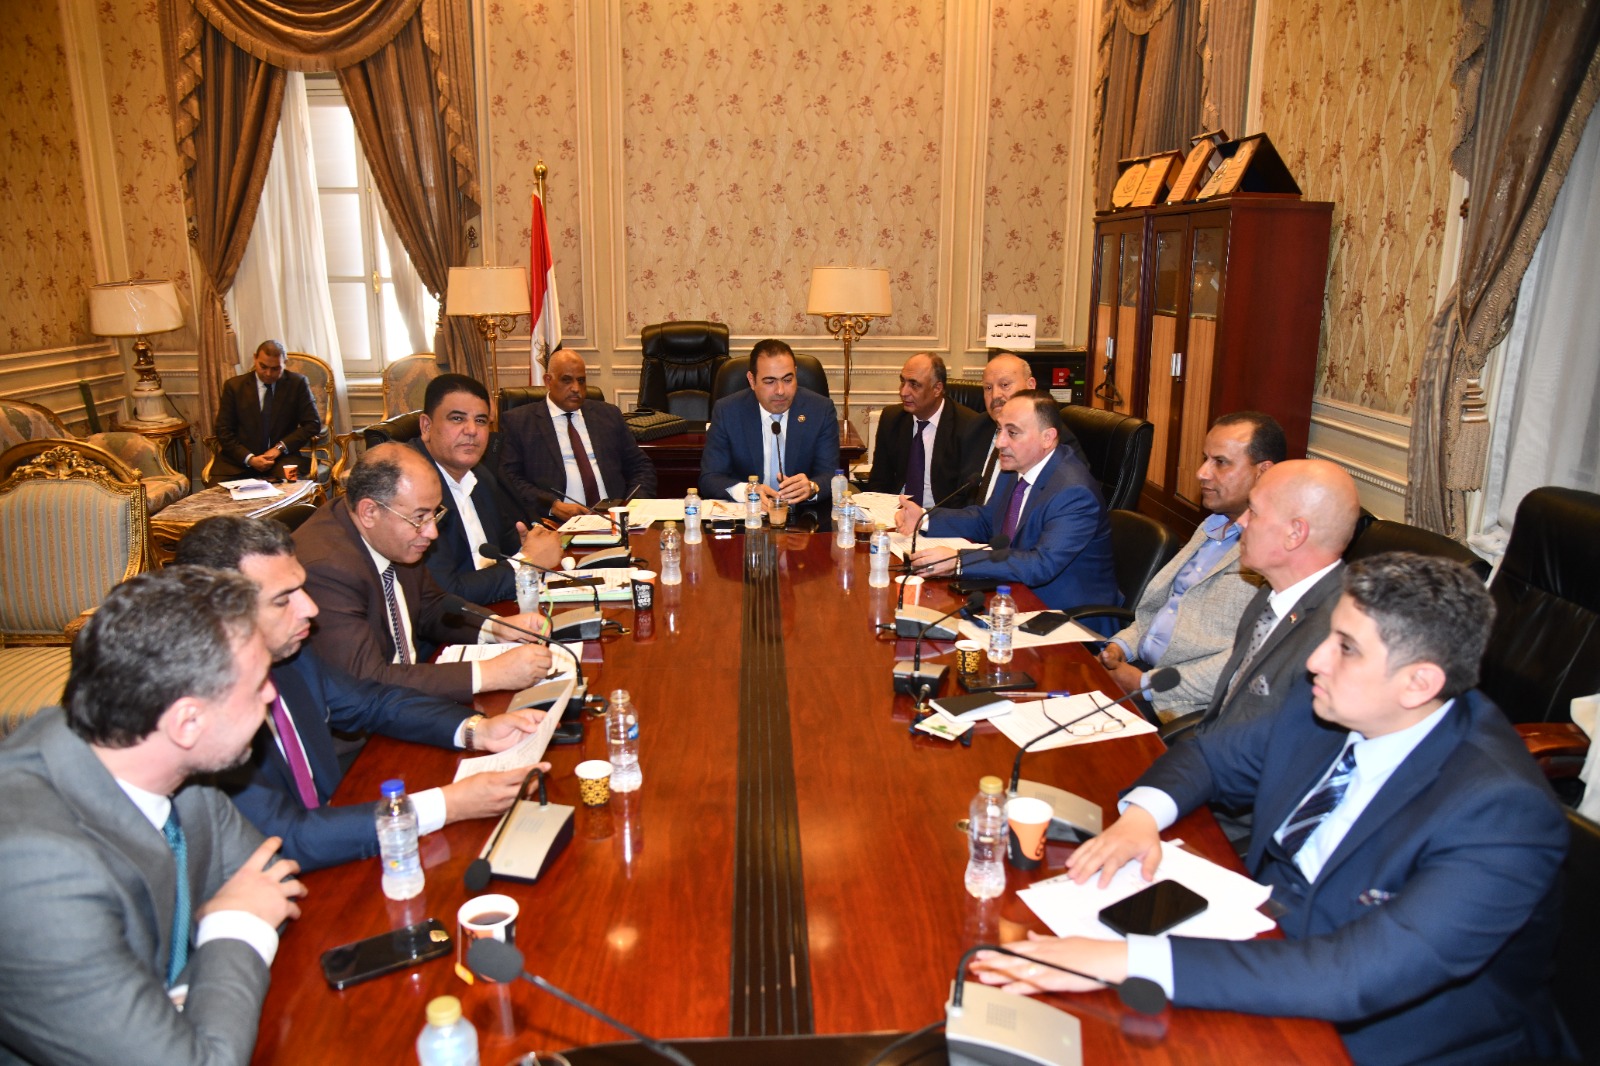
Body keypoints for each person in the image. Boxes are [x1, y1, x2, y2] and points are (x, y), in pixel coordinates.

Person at [971, 553, 1570, 1066]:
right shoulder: (1331, 704)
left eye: (1346, 649)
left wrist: (1125, 960)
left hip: (1387, 1033)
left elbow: (1355, 976)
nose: (1315, 661)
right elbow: (1209, 757)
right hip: (1262, 933)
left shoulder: (1503, 813)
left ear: (1418, 683)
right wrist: (1141, 818)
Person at [0, 567, 307, 1064]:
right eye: (257, 686)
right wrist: (234, 926)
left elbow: (271, 885)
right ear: (188, 721)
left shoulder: (161, 757)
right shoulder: (34, 875)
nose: (272, 695)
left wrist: (182, 998)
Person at [176, 517, 549, 871]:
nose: (310, 608)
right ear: (219, 614)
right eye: (282, 600)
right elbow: (287, 837)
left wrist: (476, 729)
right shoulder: (198, 714)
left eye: (302, 589)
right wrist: (449, 805)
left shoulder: (290, 655)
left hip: (343, 835)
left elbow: (373, 702)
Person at [293, 443, 554, 703]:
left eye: (434, 513)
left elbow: (430, 605)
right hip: (367, 719)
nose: (432, 532)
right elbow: (367, 682)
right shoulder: (327, 570)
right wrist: (490, 673)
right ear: (369, 512)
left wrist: (496, 628)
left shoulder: (388, 531)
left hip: (408, 696)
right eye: (420, 517)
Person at [1099, 413, 1285, 721]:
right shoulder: (1212, 525)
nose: (1202, 473)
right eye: (1205, 459)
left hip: (1180, 707)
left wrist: (1144, 685)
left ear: (1263, 472)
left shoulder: (1275, 554)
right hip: (1138, 672)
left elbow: (1243, 662)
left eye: (1220, 462)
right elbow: (1163, 610)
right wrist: (1121, 647)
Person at [896, 391, 1118, 621]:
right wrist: (924, 518)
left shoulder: (1074, 493)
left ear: (1047, 438)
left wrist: (959, 561)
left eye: (1012, 433)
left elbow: (1041, 565)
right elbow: (986, 520)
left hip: (1065, 617)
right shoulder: (1016, 468)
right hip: (1013, 595)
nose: (1000, 442)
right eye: (999, 430)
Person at [1197, 458, 1360, 734]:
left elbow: (1284, 751)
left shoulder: (1333, 639)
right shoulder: (1270, 594)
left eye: (1253, 511)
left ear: (1295, 533)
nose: (1242, 522)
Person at [411, 374, 561, 603]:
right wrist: (526, 562)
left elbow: (508, 545)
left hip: (498, 607)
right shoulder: (411, 488)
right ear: (426, 426)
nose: (472, 430)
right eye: (457, 419)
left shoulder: (480, 477)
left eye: (481, 421)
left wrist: (527, 546)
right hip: (452, 622)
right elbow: (444, 594)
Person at [500, 349, 658, 520]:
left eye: (581, 381)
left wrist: (633, 505)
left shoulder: (608, 415)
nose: (576, 388)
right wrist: (553, 506)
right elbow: (510, 478)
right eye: (566, 380)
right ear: (548, 381)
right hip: (558, 523)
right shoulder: (519, 422)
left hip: (615, 520)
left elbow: (641, 466)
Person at [699, 339, 841, 512]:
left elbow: (831, 474)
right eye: (769, 381)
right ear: (752, 380)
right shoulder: (727, 411)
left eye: (788, 380)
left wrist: (812, 487)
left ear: (796, 374)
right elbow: (710, 478)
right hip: (748, 516)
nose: (780, 390)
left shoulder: (820, 410)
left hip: (803, 517)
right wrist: (748, 491)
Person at [865, 352, 990, 508]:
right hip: (895, 512)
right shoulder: (891, 419)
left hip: (941, 515)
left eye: (914, 384)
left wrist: (930, 518)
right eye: (903, 382)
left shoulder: (969, 426)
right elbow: (879, 481)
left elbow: (967, 496)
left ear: (937, 389)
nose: (903, 392)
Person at [210, 340, 322, 483]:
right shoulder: (234, 386)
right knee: (216, 492)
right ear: (255, 358)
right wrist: (250, 458)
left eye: (275, 368)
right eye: (263, 367)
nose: (268, 374)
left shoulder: (297, 383)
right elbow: (223, 430)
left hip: (284, 459)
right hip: (238, 462)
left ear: (285, 363)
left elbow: (313, 424)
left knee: (291, 487)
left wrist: (279, 448)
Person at [975, 353, 1037, 502]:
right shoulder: (975, 428)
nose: (995, 395)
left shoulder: (1052, 440)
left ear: (1030, 386)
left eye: (1004, 385)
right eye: (988, 388)